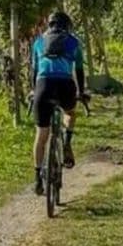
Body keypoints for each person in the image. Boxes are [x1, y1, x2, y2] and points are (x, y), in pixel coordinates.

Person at [30, 11, 87, 195]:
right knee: (70, 112)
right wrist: (82, 92)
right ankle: (67, 142)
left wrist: (34, 90)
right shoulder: (73, 42)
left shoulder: (38, 42)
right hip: (65, 85)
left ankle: (37, 178)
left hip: (43, 86)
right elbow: (79, 71)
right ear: (67, 26)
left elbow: (34, 71)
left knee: (41, 135)